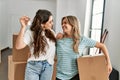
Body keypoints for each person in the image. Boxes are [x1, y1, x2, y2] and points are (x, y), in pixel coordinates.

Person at [56, 15, 112, 80]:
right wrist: (55, 39)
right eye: (62, 23)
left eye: (65, 23)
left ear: (73, 24)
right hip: (59, 76)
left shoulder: (82, 39)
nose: (62, 25)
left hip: (75, 76)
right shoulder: (59, 38)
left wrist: (108, 63)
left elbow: (102, 46)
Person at [15, 9, 56, 80]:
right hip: (34, 67)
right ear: (43, 24)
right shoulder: (31, 32)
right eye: (50, 22)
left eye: (52, 21)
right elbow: (18, 46)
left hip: (48, 66)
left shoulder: (51, 32)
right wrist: (23, 27)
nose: (52, 23)